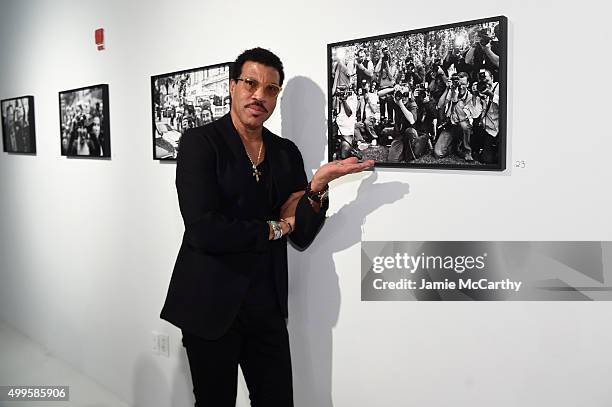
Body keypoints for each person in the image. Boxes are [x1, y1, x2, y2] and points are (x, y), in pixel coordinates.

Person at [160, 47, 374, 407]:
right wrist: (274, 228)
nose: (259, 95)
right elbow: (204, 230)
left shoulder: (285, 153)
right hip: (209, 303)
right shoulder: (201, 143)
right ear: (232, 86)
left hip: (266, 304)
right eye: (250, 83)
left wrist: (318, 187)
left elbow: (302, 233)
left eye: (271, 89)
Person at [434, 72, 474, 161]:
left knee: (464, 125)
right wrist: (447, 89)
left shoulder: (471, 97)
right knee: (438, 153)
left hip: (463, 129)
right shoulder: (452, 92)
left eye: (463, 84)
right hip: (451, 127)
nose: (460, 86)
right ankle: (454, 146)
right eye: (458, 83)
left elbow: (467, 118)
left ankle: (467, 151)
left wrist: (455, 102)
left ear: (468, 84)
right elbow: (440, 105)